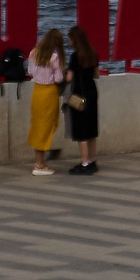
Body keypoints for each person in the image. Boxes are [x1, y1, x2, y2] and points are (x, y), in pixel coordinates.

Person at [24, 28, 66, 175]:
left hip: (37, 92)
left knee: (37, 126)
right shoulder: (54, 58)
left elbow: (30, 72)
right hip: (49, 93)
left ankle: (40, 161)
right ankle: (39, 164)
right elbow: (59, 78)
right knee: (47, 126)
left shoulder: (33, 53)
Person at [63, 25, 102, 176]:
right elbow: (96, 75)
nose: (68, 40)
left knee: (81, 131)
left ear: (74, 40)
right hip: (92, 93)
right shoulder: (93, 53)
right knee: (91, 129)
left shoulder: (75, 56)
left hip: (79, 96)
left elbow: (69, 78)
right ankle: (92, 161)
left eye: (69, 38)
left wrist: (64, 72)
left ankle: (84, 163)